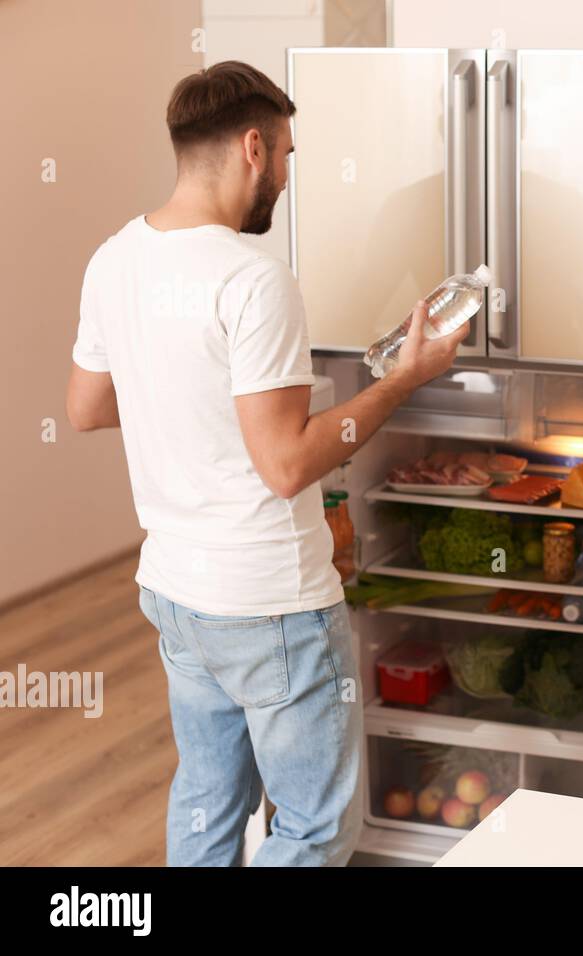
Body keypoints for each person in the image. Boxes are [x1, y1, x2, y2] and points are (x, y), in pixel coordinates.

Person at [63, 60, 468, 866]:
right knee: (315, 825)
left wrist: (193, 402)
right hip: (268, 602)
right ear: (254, 146)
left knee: (209, 804)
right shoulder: (254, 279)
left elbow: (86, 408)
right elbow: (288, 467)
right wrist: (404, 380)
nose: (284, 174)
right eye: (286, 154)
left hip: (177, 592)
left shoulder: (114, 259)